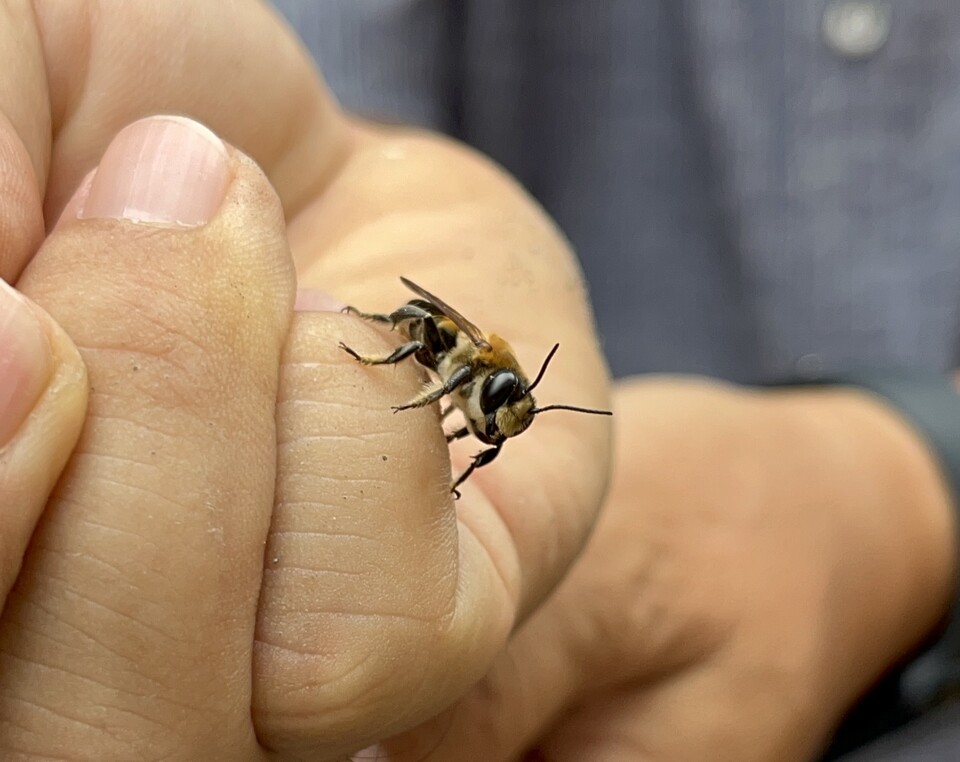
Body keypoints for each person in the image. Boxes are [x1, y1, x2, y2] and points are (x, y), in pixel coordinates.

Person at [0, 4, 955, 762]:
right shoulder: (466, 360)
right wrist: (335, 179)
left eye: (500, 419)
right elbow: (347, 153)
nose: (495, 424)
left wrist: (901, 493)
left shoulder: (495, 417)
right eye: (499, 411)